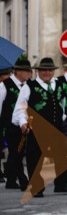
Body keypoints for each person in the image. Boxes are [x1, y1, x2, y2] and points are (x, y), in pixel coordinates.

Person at [12, 57, 67, 196]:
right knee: (35, 157)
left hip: (57, 126)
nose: (47, 72)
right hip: (37, 128)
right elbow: (20, 108)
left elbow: (62, 104)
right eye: (44, 70)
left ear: (53, 71)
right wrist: (22, 122)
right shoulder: (30, 86)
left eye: (49, 70)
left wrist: (62, 118)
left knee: (61, 154)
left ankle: (61, 183)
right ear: (38, 72)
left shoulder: (59, 84)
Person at [0, 57, 32, 191]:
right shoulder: (5, 85)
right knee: (15, 152)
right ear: (18, 71)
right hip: (8, 125)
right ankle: (23, 180)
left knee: (19, 152)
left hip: (22, 124)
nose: (29, 74)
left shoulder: (27, 86)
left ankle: (11, 180)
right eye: (27, 71)